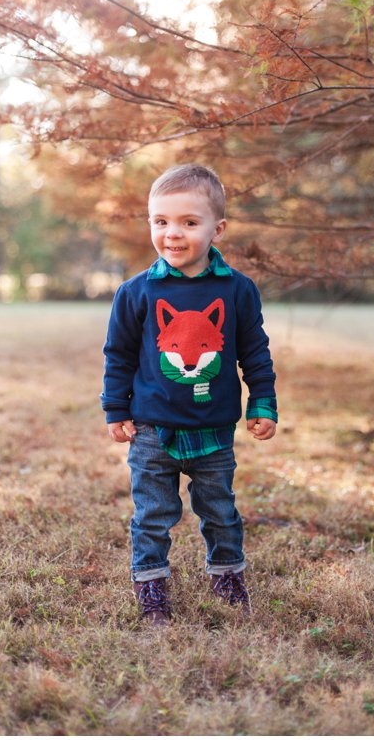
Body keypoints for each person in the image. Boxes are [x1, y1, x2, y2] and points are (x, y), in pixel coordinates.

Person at [101, 163, 277, 626]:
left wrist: (262, 401)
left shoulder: (237, 290)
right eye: (161, 222)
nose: (172, 234)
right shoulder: (136, 292)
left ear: (217, 229)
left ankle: (226, 575)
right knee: (153, 514)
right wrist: (115, 409)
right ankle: (152, 585)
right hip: (151, 430)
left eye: (188, 223)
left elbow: (255, 352)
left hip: (214, 430)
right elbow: (117, 356)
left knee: (220, 510)